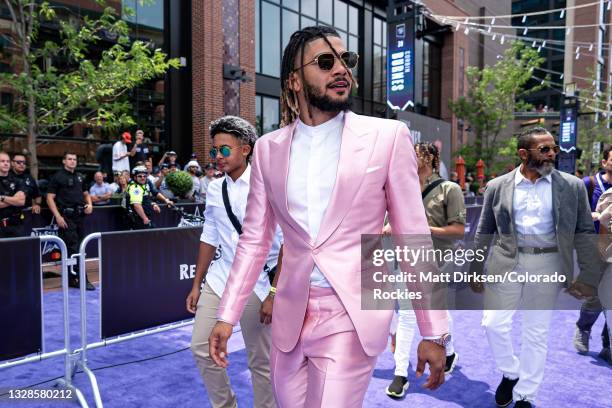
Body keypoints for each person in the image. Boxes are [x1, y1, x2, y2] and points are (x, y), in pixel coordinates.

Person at [208, 26, 449, 407]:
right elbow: (254, 239)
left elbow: (412, 235)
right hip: (291, 313)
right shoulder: (269, 149)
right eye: (325, 61)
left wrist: (434, 331)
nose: (341, 68)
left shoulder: (387, 136)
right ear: (294, 81)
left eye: (345, 59)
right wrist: (227, 314)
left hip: (353, 310)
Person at [470, 127, 601, 408]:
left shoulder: (572, 186)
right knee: (492, 324)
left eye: (553, 149)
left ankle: (526, 394)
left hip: (548, 264)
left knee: (535, 332)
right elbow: (484, 230)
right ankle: (511, 371)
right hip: (506, 262)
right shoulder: (497, 186)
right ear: (523, 153)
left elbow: (584, 232)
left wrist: (589, 275)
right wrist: (474, 268)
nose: (552, 154)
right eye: (544, 150)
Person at [186, 116, 281, 408]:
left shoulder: (270, 184)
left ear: (246, 149)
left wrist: (274, 293)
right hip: (221, 276)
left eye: (224, 150)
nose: (217, 157)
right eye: (214, 151)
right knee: (201, 347)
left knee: (260, 360)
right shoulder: (215, 188)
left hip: (259, 281)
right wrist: (197, 284)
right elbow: (210, 235)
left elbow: (289, 242)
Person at [385, 142, 465, 398]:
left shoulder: (449, 189)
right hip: (405, 261)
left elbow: (458, 230)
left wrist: (424, 228)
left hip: (438, 261)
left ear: (429, 158)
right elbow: (386, 222)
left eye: (414, 154)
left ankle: (448, 350)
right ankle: (400, 374)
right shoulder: (399, 189)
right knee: (407, 315)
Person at [574, 144, 612, 358]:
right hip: (592, 248)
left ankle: (607, 343)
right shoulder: (587, 184)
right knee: (597, 295)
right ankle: (584, 327)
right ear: (604, 162)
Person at [47, 152, 95, 290]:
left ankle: (72, 279)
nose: (73, 161)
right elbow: (50, 198)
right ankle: (81, 279)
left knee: (80, 247)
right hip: (66, 218)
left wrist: (90, 204)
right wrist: (58, 216)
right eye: (69, 159)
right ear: (64, 161)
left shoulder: (80, 176)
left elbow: (86, 194)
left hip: (80, 216)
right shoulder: (57, 177)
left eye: (74, 159)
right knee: (73, 248)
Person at [0, 151, 26, 238]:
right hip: (1, 225)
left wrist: (2, 197)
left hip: (16, 225)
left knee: (18, 251)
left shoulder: (17, 181)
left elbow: (21, 201)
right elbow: (17, 201)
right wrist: (13, 200)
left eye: (7, 161)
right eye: (2, 161)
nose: (6, 163)